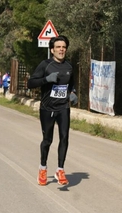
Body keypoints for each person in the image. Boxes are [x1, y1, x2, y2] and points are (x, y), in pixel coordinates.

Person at [27, 35, 77, 186]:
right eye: (58, 47)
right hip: (47, 108)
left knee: (64, 137)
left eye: (64, 47)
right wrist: (46, 80)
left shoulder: (69, 67)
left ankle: (60, 170)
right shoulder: (45, 65)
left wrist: (73, 93)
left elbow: (71, 84)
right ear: (52, 50)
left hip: (63, 107)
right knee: (47, 140)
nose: (61, 50)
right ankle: (43, 168)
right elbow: (30, 83)